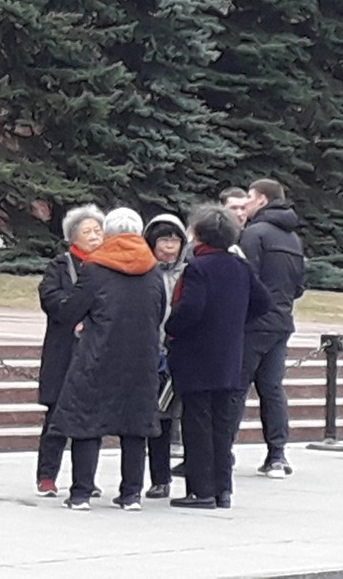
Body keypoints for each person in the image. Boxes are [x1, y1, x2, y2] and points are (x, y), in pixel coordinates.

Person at [48, 208, 165, 511]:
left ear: (109, 233)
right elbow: (159, 311)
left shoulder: (96, 267)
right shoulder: (152, 268)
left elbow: (73, 309)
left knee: (88, 421)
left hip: (98, 354)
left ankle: (81, 493)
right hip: (141, 358)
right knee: (135, 425)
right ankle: (131, 494)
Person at [165, 204, 274, 509]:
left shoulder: (199, 268)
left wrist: (171, 328)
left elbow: (190, 310)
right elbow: (263, 302)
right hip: (229, 354)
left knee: (197, 425)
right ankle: (223, 489)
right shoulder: (240, 267)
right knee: (222, 426)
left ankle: (201, 490)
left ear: (199, 235)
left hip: (197, 354)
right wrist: (235, 321)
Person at [34, 205, 105, 497]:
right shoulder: (60, 266)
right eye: (87, 231)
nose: (94, 236)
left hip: (95, 352)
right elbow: (50, 298)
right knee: (56, 418)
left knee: (91, 419)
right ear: (72, 237)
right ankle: (47, 476)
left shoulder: (107, 267)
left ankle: (86, 478)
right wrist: (75, 313)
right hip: (64, 351)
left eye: (98, 230)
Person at [238, 178, 306, 479]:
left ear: (262, 200)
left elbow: (245, 280)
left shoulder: (254, 234)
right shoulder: (294, 239)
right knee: (272, 390)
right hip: (281, 322)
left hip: (252, 324)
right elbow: (299, 285)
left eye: (249, 198)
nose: (246, 204)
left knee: (235, 389)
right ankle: (277, 454)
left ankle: (222, 450)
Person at [142, 213, 190, 499]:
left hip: (181, 351)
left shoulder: (189, 271)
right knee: (157, 419)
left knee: (180, 417)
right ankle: (159, 478)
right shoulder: (144, 271)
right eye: (163, 240)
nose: (169, 247)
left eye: (174, 240)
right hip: (150, 352)